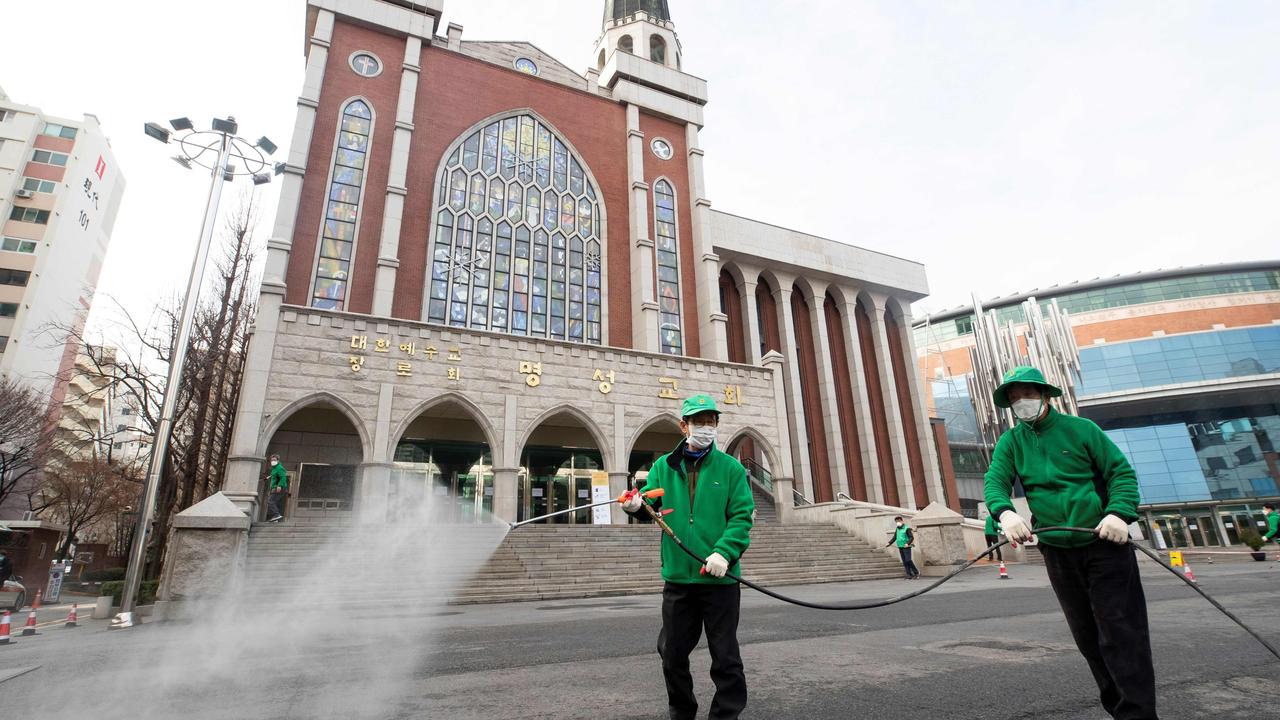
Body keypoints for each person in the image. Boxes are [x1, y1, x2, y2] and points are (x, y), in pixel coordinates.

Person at [984, 366, 1156, 720]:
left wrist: (1119, 514)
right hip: (1057, 549)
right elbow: (995, 482)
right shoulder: (1011, 442)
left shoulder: (1082, 430)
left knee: (1121, 633)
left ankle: (1139, 717)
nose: (1021, 402)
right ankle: (1118, 711)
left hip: (1103, 543)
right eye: (1014, 397)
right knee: (1088, 638)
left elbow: (1120, 472)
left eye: (1028, 394)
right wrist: (1004, 513)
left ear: (1045, 395)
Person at [621, 393, 754, 720]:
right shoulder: (662, 467)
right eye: (698, 421)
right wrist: (637, 508)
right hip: (679, 578)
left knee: (725, 657)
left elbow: (741, 516)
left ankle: (726, 715)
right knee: (672, 654)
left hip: (720, 579)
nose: (706, 427)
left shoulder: (732, 469)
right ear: (684, 425)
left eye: (711, 421)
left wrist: (724, 552)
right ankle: (682, 711)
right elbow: (652, 507)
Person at [884, 515, 920, 579]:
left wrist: (907, 543)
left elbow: (911, 537)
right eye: (896, 521)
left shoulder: (907, 528)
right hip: (900, 547)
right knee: (904, 561)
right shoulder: (897, 529)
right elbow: (895, 537)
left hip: (906, 547)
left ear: (902, 521)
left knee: (908, 560)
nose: (898, 522)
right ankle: (909, 575)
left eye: (899, 521)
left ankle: (916, 572)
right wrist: (889, 543)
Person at [266, 454, 288, 523]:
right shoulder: (274, 468)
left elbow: (283, 477)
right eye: (272, 460)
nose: (273, 461)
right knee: (274, 502)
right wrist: (268, 477)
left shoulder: (279, 468)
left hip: (279, 488)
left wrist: (279, 485)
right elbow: (275, 475)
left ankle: (277, 515)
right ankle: (276, 518)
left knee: (270, 501)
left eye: (274, 460)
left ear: (278, 461)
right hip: (276, 488)